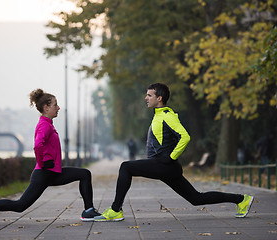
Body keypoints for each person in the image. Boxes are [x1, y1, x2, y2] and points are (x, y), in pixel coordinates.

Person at [95, 83, 254, 222]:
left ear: (159, 98)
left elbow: (185, 136)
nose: (146, 98)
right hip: (166, 167)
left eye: (149, 95)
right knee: (196, 199)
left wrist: (170, 157)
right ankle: (241, 200)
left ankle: (116, 210)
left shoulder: (167, 115)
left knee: (126, 167)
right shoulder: (159, 115)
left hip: (164, 165)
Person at [0, 89, 100, 225]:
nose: (58, 107)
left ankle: (88, 211)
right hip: (43, 173)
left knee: (84, 174)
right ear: (46, 107)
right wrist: (44, 161)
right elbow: (38, 145)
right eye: (55, 105)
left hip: (52, 172)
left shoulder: (48, 124)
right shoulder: (44, 125)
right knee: (20, 206)